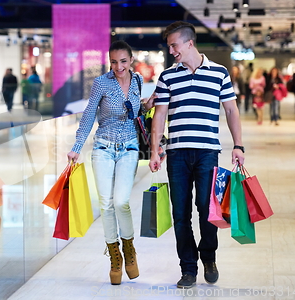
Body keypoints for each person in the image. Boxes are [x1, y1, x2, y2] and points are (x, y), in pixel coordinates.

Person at [149, 21, 245, 289]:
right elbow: (159, 114)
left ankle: (209, 256)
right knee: (180, 214)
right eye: (169, 46)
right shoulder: (168, 76)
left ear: (189, 43)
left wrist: (238, 145)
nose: (171, 50)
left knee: (207, 210)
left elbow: (231, 111)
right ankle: (188, 268)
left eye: (174, 45)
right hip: (177, 154)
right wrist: (155, 149)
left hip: (207, 153)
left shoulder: (219, 73)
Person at [67, 40, 155, 285]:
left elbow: (136, 113)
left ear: (131, 61)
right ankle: (114, 255)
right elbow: (88, 115)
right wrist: (76, 147)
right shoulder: (101, 83)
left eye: (123, 61)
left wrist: (147, 106)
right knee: (106, 204)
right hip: (103, 148)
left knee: (121, 201)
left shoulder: (137, 81)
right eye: (114, 62)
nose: (119, 66)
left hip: (129, 147)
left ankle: (129, 248)